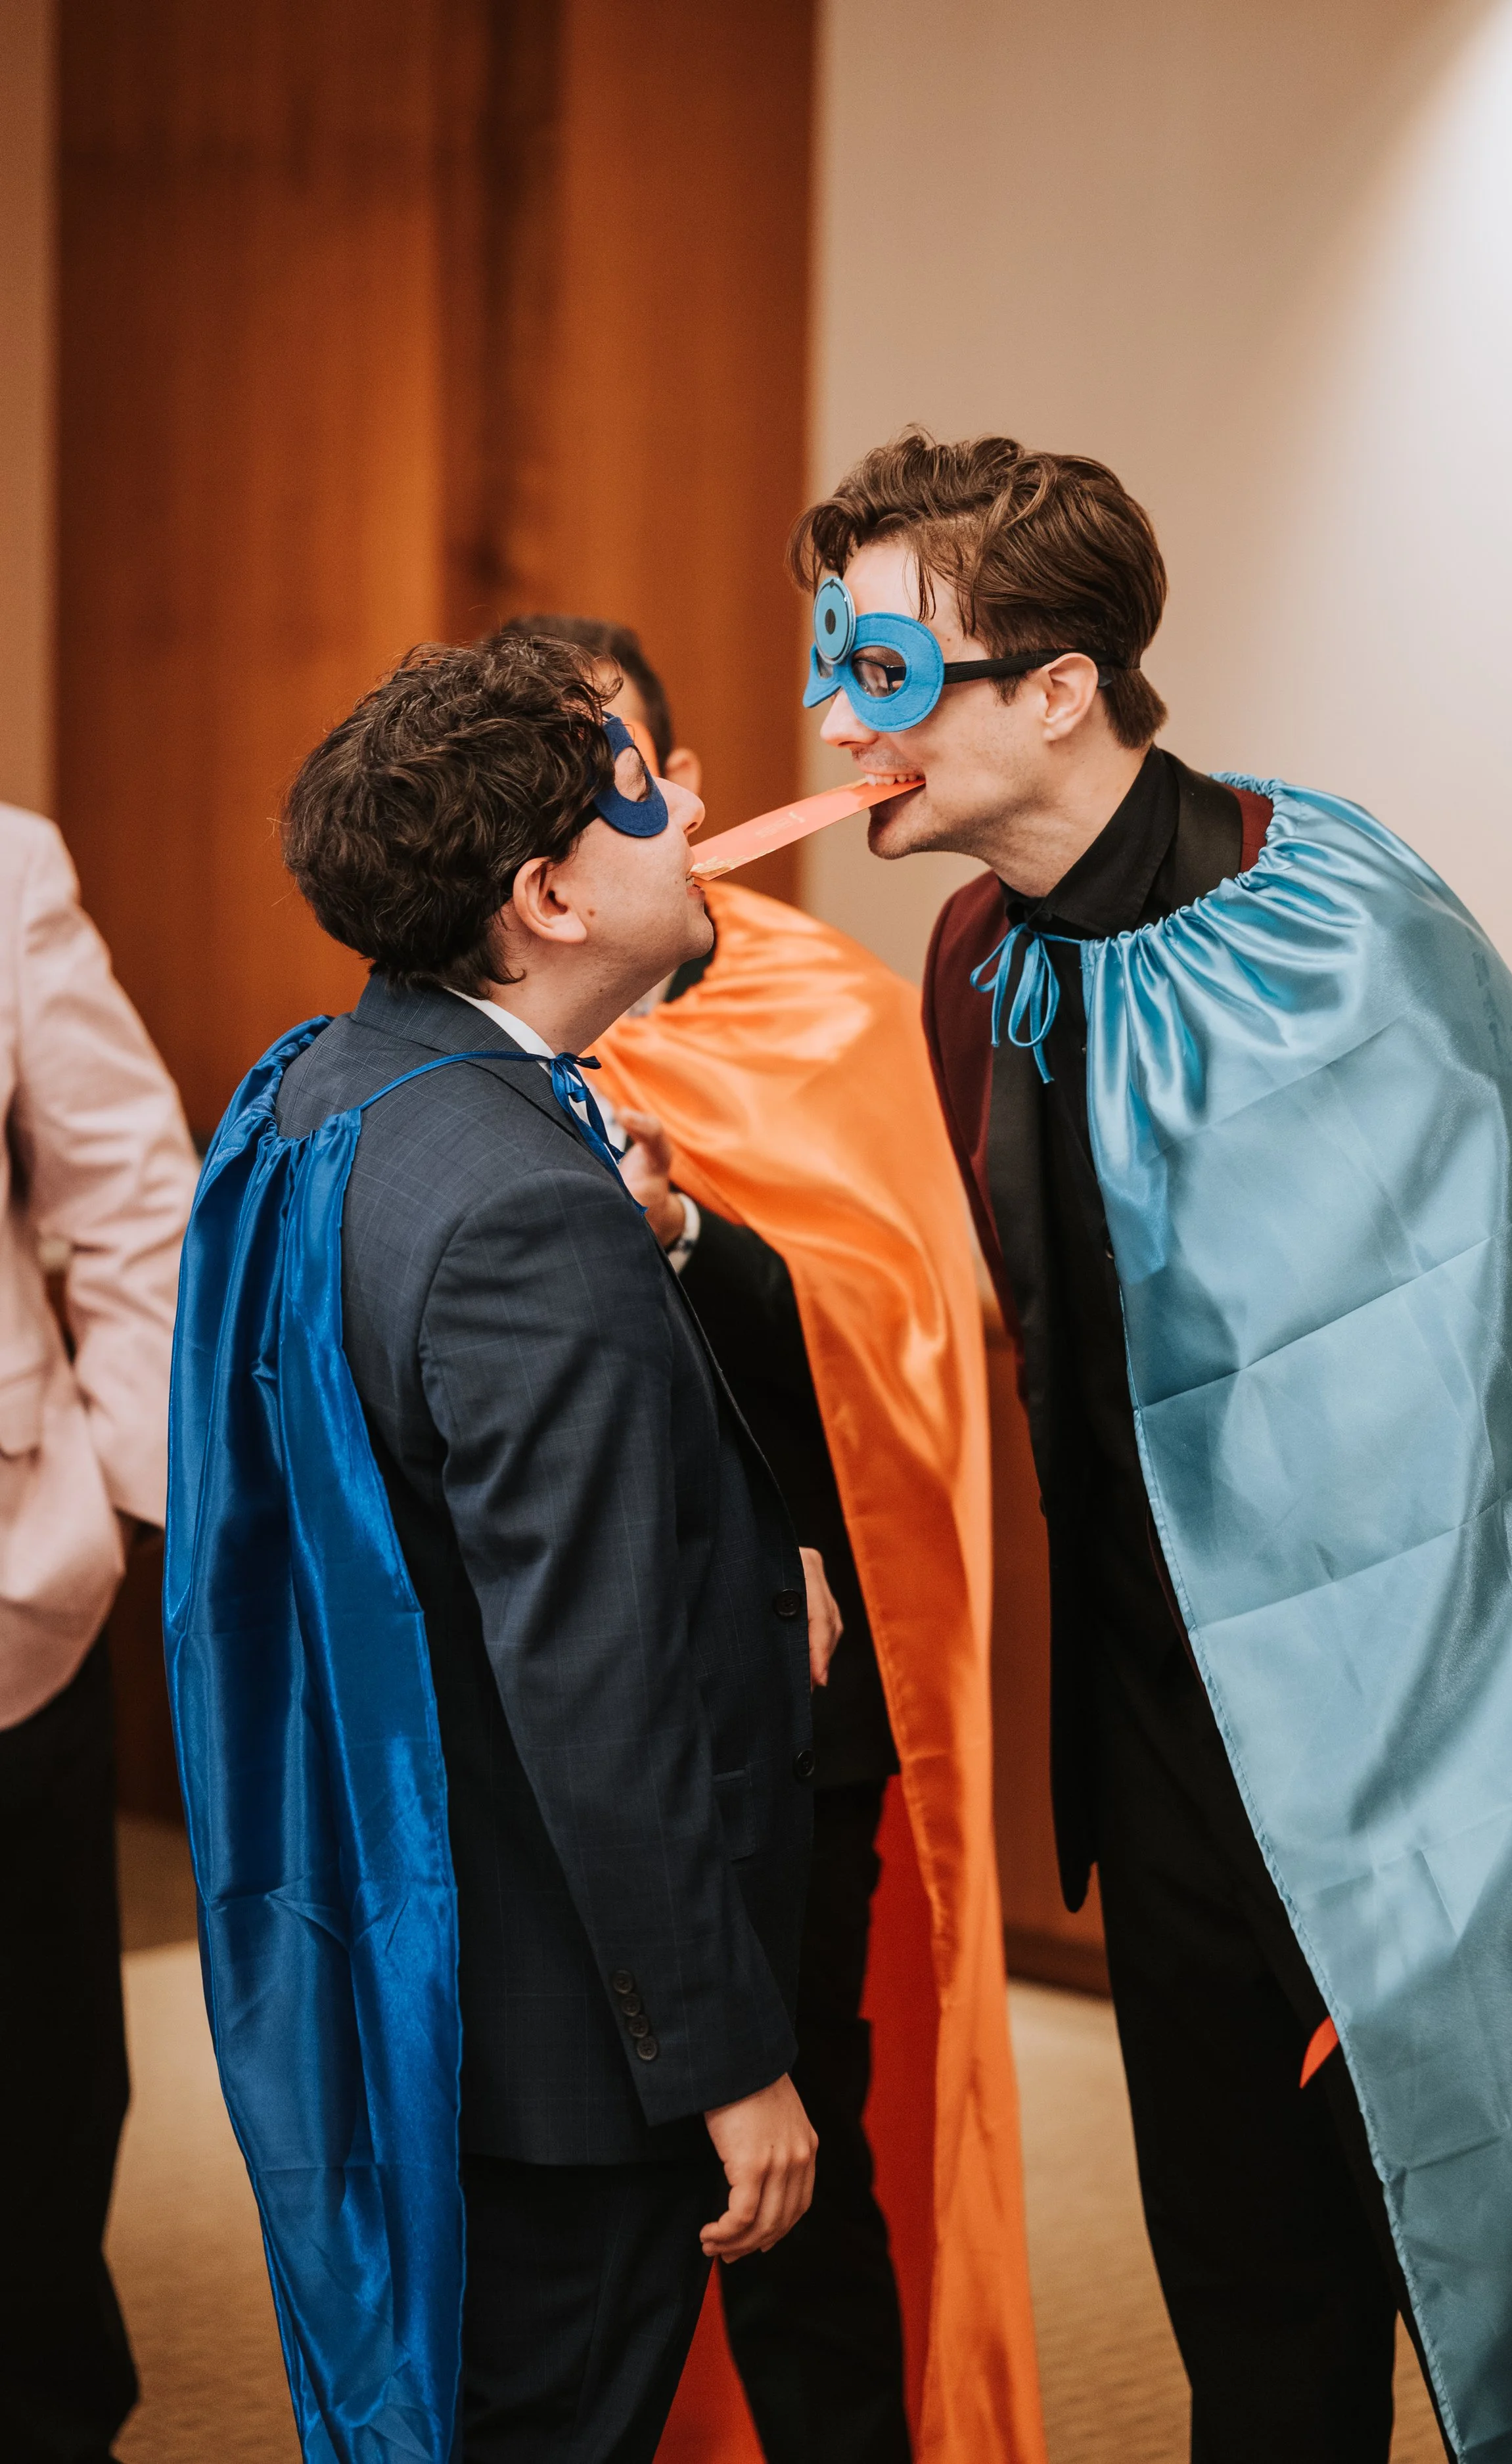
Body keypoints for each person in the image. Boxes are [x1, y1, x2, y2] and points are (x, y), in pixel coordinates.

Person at [789, 430, 1512, 2464]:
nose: (833, 724)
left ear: (1055, 689)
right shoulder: (974, 955)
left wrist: (1435, 1842)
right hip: (1163, 1749)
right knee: (1256, 2329)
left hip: (1417, 1772)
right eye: (829, 666)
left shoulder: (1336, 916)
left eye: (882, 675)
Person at [164, 635, 831, 2464]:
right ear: (547, 897)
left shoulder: (329, 1091)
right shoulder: (527, 1207)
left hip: (426, 1948)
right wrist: (726, 2059)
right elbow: (596, 1684)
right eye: (641, 790)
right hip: (562, 2041)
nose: (685, 804)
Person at [485, 615, 1045, 2464]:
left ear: (687, 786)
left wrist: (677, 1232)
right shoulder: (471, 1041)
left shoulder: (825, 1009)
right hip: (555, 1687)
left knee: (805, 2143)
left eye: (616, 766)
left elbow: (893, 1345)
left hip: (791, 1693)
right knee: (562, 2167)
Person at [0, 804, 197, 2464]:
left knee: (36, 2086)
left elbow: (137, 1197)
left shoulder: (7, 870)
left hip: (10, 1600)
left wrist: (123, 1502)